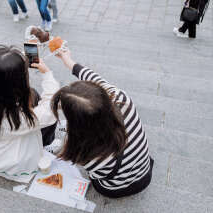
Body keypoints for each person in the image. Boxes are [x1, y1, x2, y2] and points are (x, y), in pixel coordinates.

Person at [51, 49, 154, 198]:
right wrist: (69, 61)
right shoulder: (122, 99)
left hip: (116, 188)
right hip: (145, 171)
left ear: (79, 125)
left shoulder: (86, 153)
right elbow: (95, 78)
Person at [0, 45, 60, 183]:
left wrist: (17, 59)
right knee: (39, 104)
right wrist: (47, 74)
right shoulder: (17, 120)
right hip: (12, 163)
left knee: (33, 96)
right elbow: (50, 109)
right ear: (16, 85)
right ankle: (46, 144)